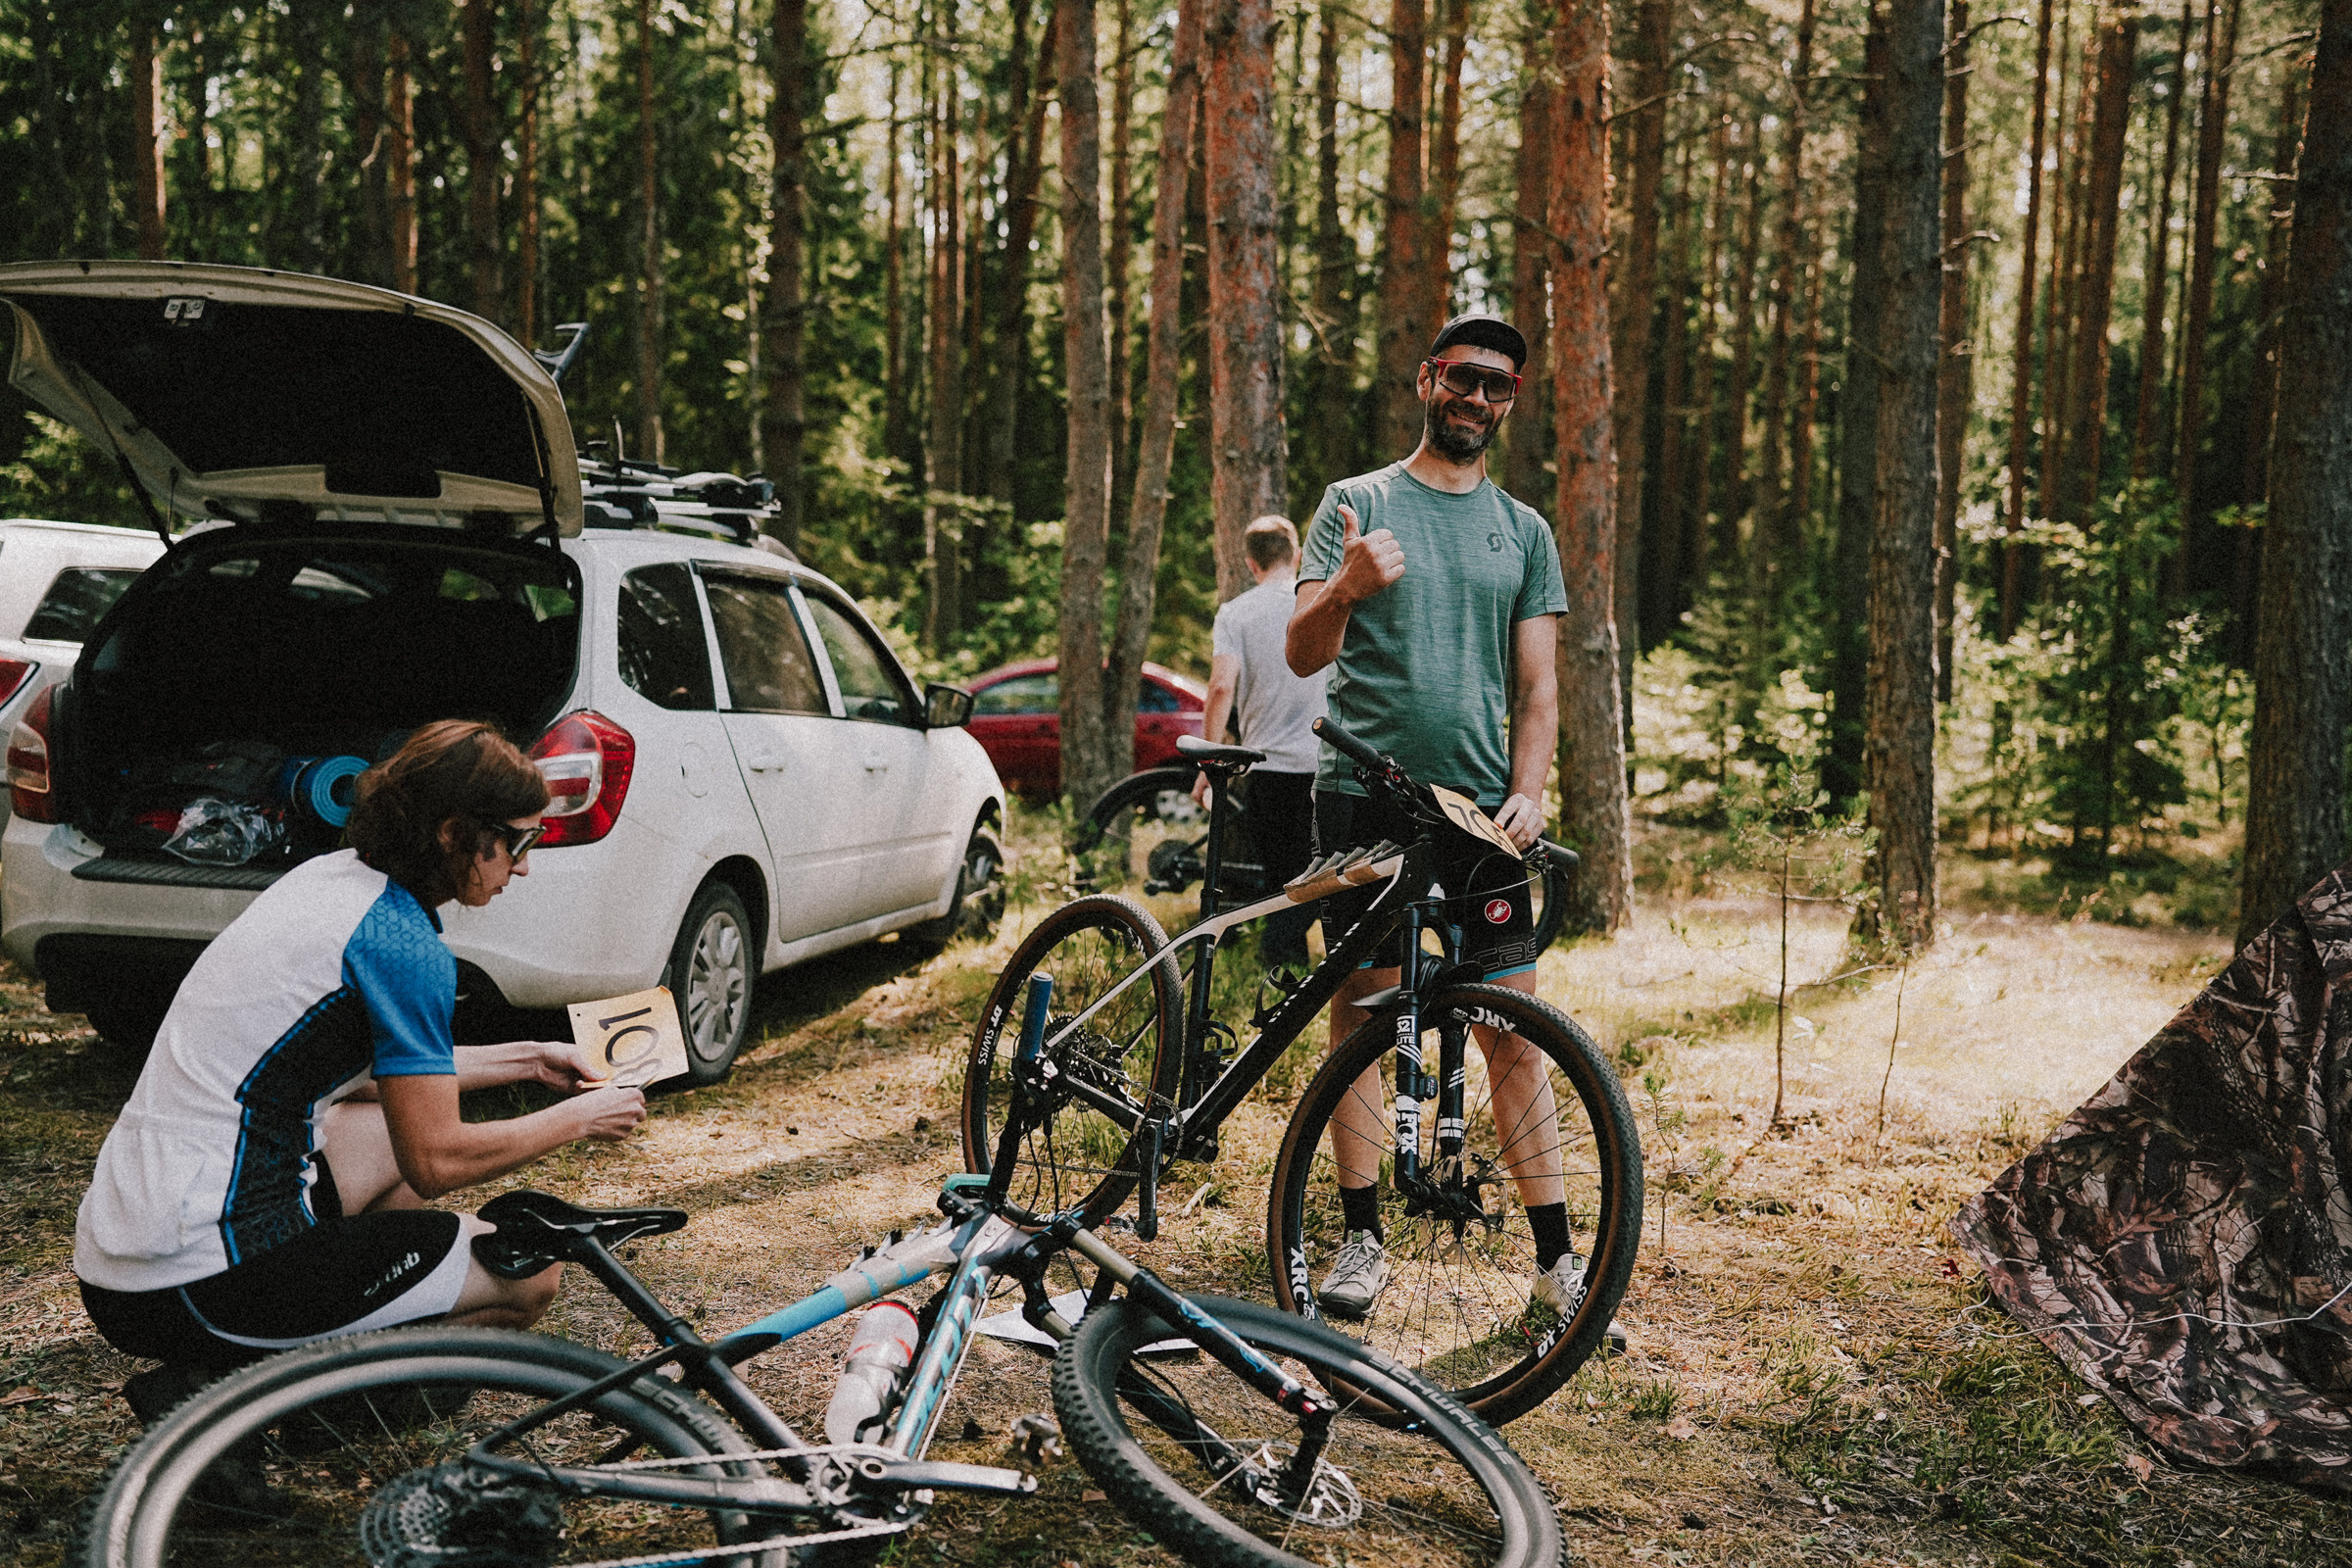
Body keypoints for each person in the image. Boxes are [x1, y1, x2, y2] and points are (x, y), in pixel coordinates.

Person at [75, 720, 648, 1433]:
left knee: (376, 1131)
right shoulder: (403, 949)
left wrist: (531, 1058)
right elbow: (437, 1159)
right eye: (519, 841)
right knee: (528, 1276)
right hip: (198, 1278)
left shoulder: (330, 882)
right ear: (452, 833)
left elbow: (372, 1081)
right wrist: (582, 1118)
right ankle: (255, 1414)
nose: (524, 867)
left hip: (124, 1257)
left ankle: (268, 1360)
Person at [1286, 312, 1582, 1321]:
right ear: (1428, 379)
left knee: (1513, 1027)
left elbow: (1538, 688)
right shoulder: (1356, 503)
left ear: (1511, 399)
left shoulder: (1525, 530)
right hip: (1368, 796)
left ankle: (1558, 1265)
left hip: (1483, 818)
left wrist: (1531, 791)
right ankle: (1360, 1236)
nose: (1480, 399)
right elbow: (1298, 653)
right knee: (1367, 1013)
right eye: (1464, 377)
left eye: (1500, 386)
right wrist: (1346, 588)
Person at [1193, 514, 1329, 973]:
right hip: (1326, 767)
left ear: (1251, 563)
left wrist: (1208, 763)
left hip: (1267, 770)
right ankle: (1292, 976)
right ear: (1298, 554)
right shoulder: (1325, 603)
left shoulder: (1236, 613)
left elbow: (1220, 688)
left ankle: (1281, 964)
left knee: (1282, 882)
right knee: (1320, 879)